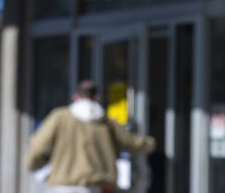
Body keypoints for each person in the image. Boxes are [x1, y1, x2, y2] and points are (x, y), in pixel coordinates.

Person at [26, 80, 156, 193]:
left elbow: (38, 146)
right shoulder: (106, 122)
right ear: (96, 97)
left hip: (63, 185)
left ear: (75, 97)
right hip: (96, 186)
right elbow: (131, 142)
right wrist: (151, 143)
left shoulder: (60, 117)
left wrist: (34, 165)